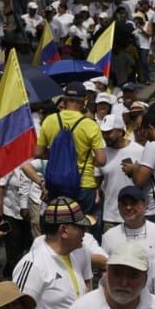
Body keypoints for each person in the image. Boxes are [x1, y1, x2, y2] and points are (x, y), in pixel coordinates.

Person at [35, 82, 107, 214]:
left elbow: (38, 152)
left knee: (59, 223)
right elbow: (101, 160)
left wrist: (58, 155)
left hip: (56, 184)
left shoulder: (50, 120)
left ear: (65, 99)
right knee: (82, 228)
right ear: (84, 100)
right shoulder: (90, 125)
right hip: (83, 184)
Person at [101, 185, 155, 262]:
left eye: (133, 203)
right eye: (124, 204)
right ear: (119, 207)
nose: (128, 207)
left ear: (145, 205)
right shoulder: (109, 237)